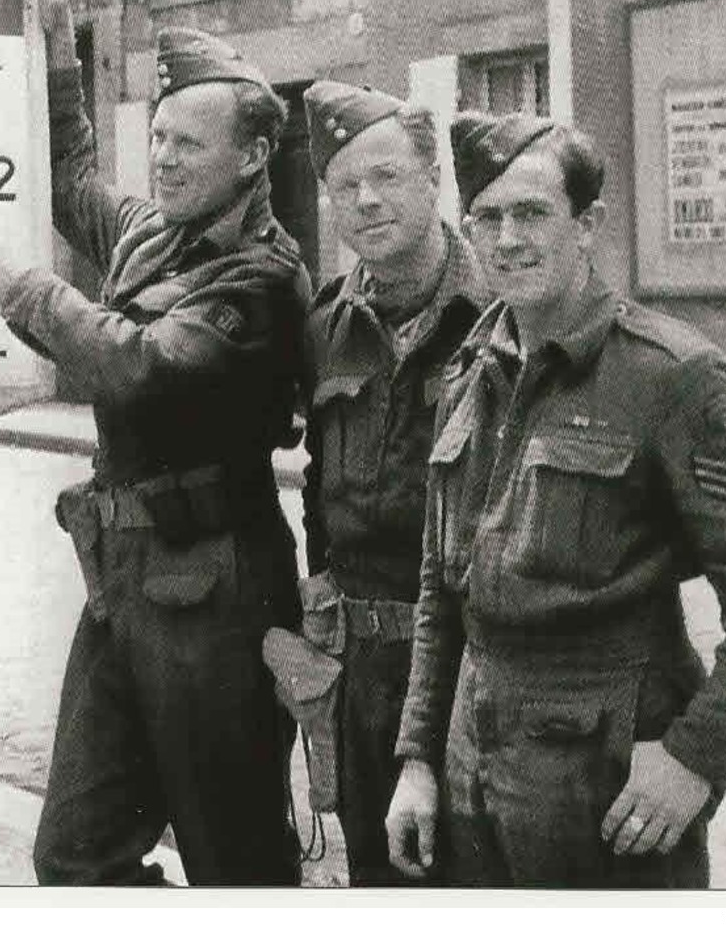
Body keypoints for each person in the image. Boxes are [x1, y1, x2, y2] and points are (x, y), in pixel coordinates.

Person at [0, 0, 310, 885]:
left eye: (185, 145)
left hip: (219, 596)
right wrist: (56, 42)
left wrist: (30, 294)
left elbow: (144, 367)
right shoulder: (156, 230)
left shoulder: (262, 278)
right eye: (155, 139)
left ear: (252, 154)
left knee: (234, 857)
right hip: (122, 584)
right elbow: (73, 171)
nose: (160, 158)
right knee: (75, 854)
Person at [383, 111, 726, 887]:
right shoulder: (466, 371)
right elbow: (439, 593)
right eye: (486, 218)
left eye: (531, 213)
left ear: (587, 223)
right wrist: (418, 761)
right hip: (473, 771)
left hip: (605, 781)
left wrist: (694, 760)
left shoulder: (673, 376)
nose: (505, 240)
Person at [296, 82, 489, 885]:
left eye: (385, 177)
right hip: (361, 678)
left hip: (472, 675)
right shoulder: (325, 325)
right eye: (345, 186)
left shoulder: (499, 318)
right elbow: (316, 487)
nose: (366, 200)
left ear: (433, 177)